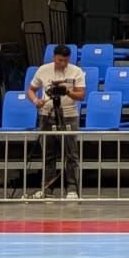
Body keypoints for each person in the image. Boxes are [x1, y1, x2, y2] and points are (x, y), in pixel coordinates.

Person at [27, 44, 86, 200]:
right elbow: (31, 89)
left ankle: (72, 188)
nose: (63, 63)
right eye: (60, 60)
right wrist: (36, 101)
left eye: (66, 60)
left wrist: (67, 91)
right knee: (48, 153)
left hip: (69, 114)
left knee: (71, 154)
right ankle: (47, 188)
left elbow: (81, 95)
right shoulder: (43, 70)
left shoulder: (76, 71)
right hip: (46, 114)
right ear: (53, 57)